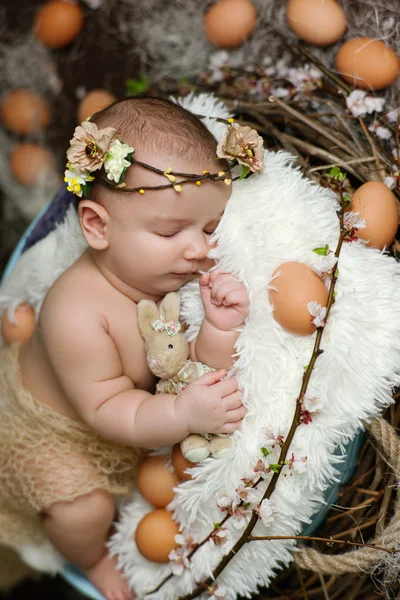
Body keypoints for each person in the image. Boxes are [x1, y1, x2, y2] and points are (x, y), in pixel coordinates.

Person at [0, 97, 262, 599]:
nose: (199, 249)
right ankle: (91, 557)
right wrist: (184, 414)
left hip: (131, 413)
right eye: (170, 230)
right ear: (97, 226)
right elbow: (106, 408)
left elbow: (183, 366)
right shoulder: (75, 313)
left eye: (208, 228)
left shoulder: (164, 274)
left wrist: (220, 326)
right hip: (56, 433)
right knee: (83, 510)